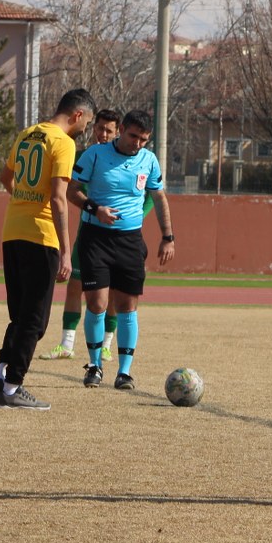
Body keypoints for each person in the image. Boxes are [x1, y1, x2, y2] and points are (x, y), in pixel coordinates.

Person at [0, 88, 96, 410]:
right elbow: (59, 198)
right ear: (77, 114)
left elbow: (5, 177)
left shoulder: (27, 134)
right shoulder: (63, 142)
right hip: (40, 236)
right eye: (87, 122)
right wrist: (66, 250)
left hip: (12, 232)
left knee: (20, 316)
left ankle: (1, 378)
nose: (85, 128)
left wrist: (24, 200)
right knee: (35, 320)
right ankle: (13, 387)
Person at [68, 109, 175, 390]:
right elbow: (72, 190)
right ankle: (94, 366)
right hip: (95, 238)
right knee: (97, 304)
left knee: (128, 307)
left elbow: (159, 197)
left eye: (143, 139)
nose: (137, 143)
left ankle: (124, 372)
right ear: (122, 129)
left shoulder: (149, 160)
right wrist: (95, 209)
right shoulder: (95, 154)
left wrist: (168, 236)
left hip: (129, 241)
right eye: (133, 136)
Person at [40, 109, 122, 360]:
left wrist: (137, 215)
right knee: (74, 285)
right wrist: (92, 209)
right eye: (100, 128)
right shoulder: (82, 156)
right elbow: (71, 190)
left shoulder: (125, 158)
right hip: (88, 233)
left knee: (113, 291)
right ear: (93, 128)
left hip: (118, 237)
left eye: (109, 130)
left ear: (117, 132)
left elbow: (151, 193)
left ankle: (106, 344)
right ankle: (67, 344)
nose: (103, 134)